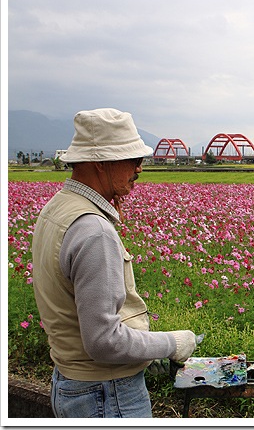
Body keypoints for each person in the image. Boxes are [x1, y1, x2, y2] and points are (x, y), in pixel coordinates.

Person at [31, 108, 198, 418]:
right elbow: (104, 342)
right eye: (132, 159)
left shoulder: (57, 209)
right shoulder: (93, 230)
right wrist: (171, 343)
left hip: (71, 383)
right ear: (101, 164)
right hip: (106, 395)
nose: (139, 169)